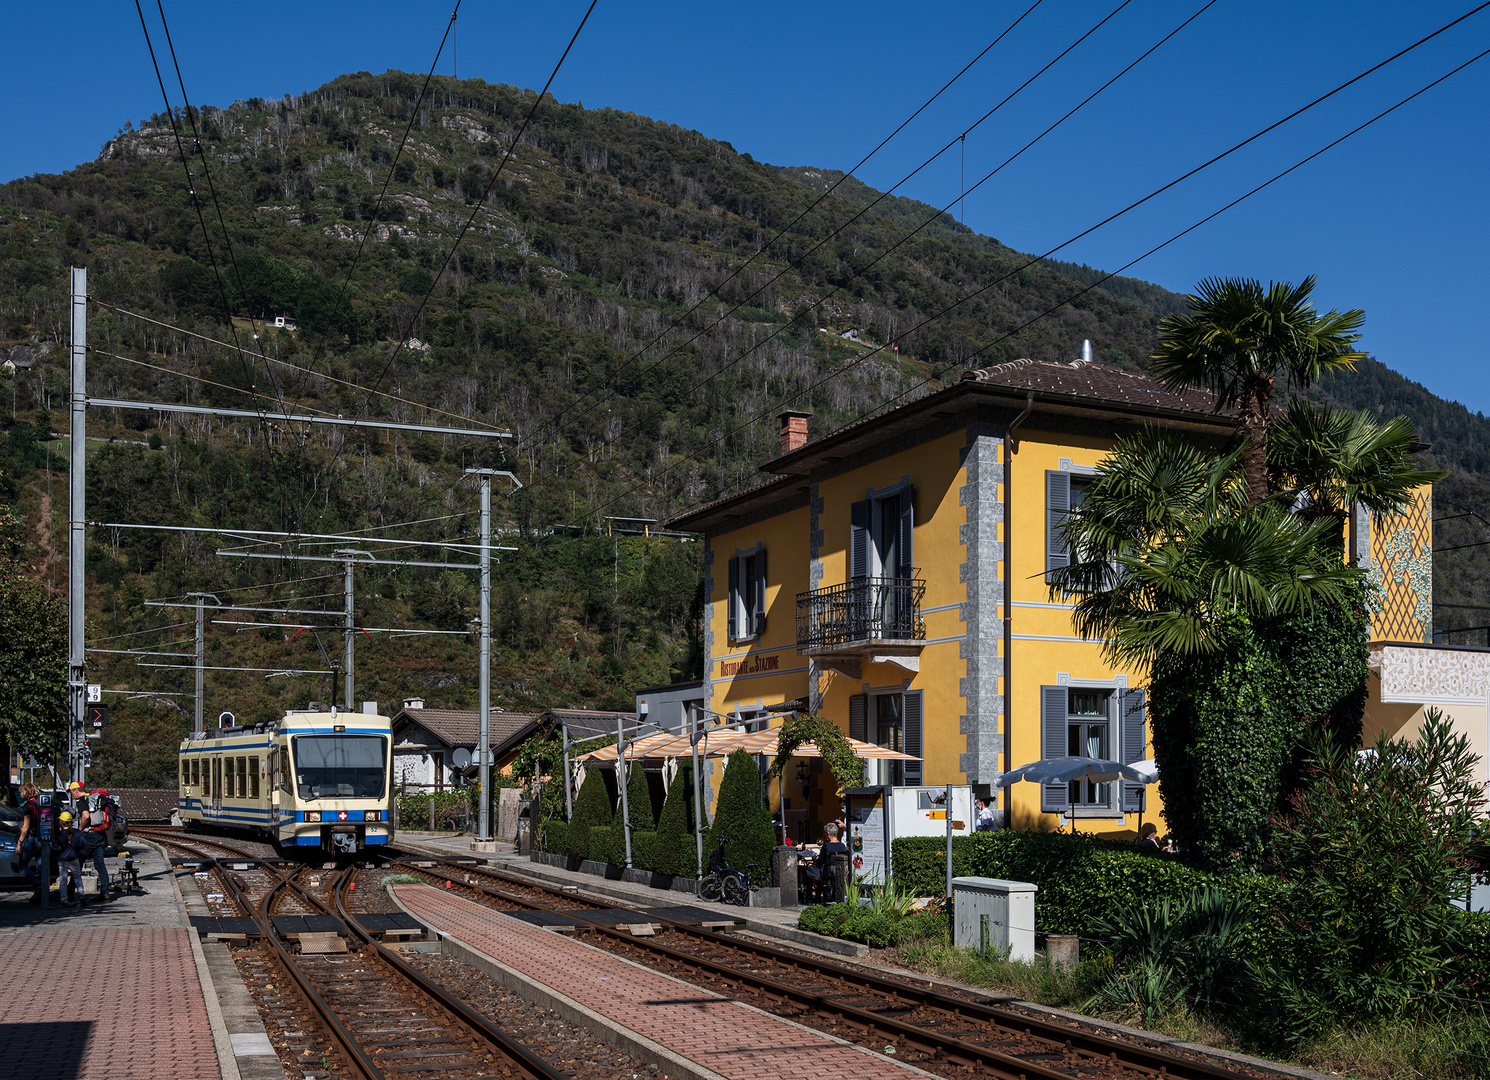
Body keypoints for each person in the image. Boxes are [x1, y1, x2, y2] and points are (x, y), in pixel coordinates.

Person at [75, 785, 112, 901]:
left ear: (76, 790)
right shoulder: (94, 799)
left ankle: (69, 892)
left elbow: (85, 816)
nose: (71, 794)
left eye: (71, 792)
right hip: (100, 835)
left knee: (78, 862)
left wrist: (80, 829)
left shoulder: (81, 801)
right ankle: (105, 892)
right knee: (100, 864)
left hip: (89, 835)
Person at [14, 783, 42, 904]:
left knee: (22, 864)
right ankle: (43, 892)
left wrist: (19, 843)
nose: (20, 795)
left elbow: (26, 827)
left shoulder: (28, 807)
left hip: (33, 839)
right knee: (41, 866)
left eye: (21, 793)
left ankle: (37, 886)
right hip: (44, 838)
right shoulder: (40, 803)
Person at [53, 811, 84, 906]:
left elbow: (56, 847)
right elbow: (83, 843)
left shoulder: (59, 834)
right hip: (74, 858)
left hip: (62, 859)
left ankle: (64, 899)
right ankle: (81, 896)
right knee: (77, 877)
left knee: (63, 878)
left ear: (60, 822)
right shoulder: (78, 833)